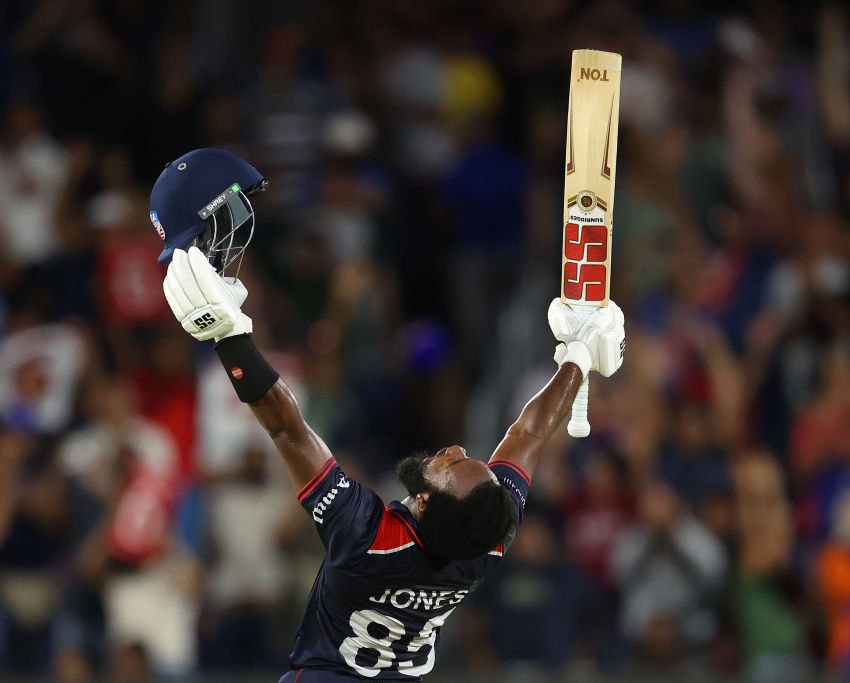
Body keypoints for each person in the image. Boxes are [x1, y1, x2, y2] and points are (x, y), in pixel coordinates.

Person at [150, 148, 626, 680]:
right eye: (469, 458)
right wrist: (579, 356)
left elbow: (286, 424)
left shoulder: (373, 538)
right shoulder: (484, 527)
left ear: (422, 501)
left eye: (449, 465)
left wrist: (227, 338)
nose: (454, 450)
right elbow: (529, 431)